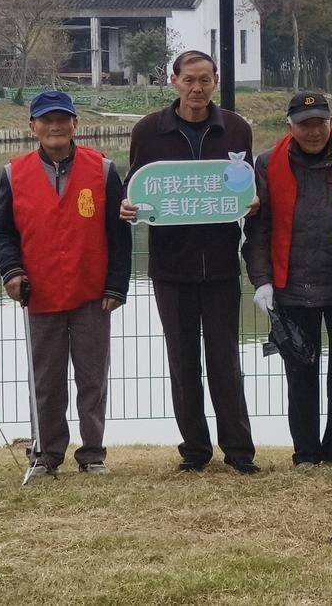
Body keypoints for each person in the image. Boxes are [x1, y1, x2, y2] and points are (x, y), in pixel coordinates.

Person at [120, 50, 259, 474]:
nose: (197, 88)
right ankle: (195, 451)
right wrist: (128, 206)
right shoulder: (149, 130)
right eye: (189, 80)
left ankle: (239, 452)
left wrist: (251, 203)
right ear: (174, 81)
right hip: (170, 267)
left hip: (220, 264)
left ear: (216, 80)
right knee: (182, 362)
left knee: (225, 360)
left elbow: (245, 183)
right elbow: (137, 186)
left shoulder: (235, 128)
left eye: (205, 79)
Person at [0, 90, 131, 478]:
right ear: (33, 126)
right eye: (46, 120)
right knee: (47, 381)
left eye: (63, 119)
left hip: (91, 294)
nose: (55, 126)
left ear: (75, 125)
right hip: (40, 293)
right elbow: (2, 232)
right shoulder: (13, 173)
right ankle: (46, 456)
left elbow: (119, 234)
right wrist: (11, 271)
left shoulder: (102, 169)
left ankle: (93, 455)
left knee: (92, 379)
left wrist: (117, 286)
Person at [242, 91, 332, 468]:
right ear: (290, 127)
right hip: (291, 285)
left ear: (331, 122)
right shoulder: (268, 163)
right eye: (305, 125)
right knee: (300, 371)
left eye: (320, 122)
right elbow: (258, 229)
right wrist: (262, 280)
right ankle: (305, 452)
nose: (313, 131)